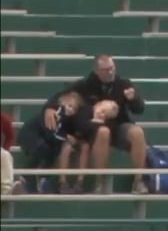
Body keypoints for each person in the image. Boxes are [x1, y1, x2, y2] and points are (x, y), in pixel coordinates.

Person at [47, 55, 148, 194]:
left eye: (112, 68)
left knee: (137, 132)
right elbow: (61, 95)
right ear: (97, 71)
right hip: (93, 127)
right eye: (106, 70)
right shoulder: (85, 85)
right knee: (103, 132)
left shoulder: (123, 84)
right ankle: (99, 183)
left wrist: (133, 99)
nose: (110, 72)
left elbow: (139, 109)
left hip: (118, 125)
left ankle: (139, 181)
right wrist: (50, 108)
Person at [18, 90, 86, 194]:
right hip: (29, 135)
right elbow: (52, 133)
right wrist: (66, 138)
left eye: (74, 108)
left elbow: (57, 133)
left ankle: (43, 178)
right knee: (42, 149)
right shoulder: (56, 113)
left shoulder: (65, 120)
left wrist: (66, 137)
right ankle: (25, 176)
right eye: (69, 105)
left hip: (40, 138)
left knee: (51, 151)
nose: (70, 109)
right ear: (61, 103)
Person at [1, 112, 13, 195]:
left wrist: (5, 148)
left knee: (4, 154)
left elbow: (10, 137)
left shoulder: (3, 119)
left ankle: (6, 191)